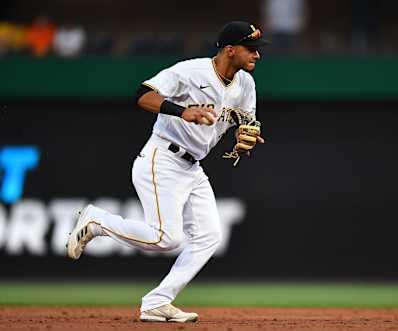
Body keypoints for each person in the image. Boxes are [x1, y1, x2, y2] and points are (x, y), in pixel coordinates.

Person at [66, 21, 268, 322]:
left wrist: (246, 138)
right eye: (250, 49)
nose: (257, 55)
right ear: (229, 49)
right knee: (166, 238)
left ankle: (157, 302)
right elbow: (142, 94)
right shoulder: (190, 72)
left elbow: (248, 123)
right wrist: (183, 111)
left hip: (193, 167)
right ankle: (97, 221)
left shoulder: (246, 85)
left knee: (209, 236)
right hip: (162, 157)